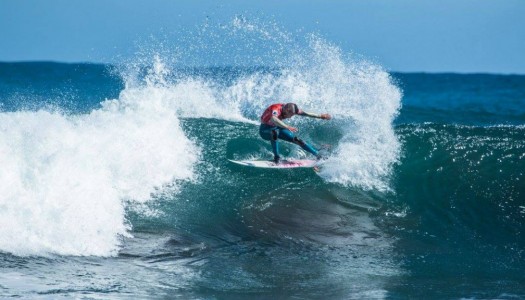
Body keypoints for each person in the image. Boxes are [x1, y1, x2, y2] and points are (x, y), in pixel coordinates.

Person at [259, 103, 331, 164]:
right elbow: (273, 119)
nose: (291, 117)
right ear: (286, 110)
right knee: (274, 133)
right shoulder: (276, 108)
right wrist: (287, 126)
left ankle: (317, 154)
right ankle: (277, 158)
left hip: (278, 128)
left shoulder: (291, 109)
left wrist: (321, 116)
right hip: (265, 130)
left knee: (297, 140)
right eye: (290, 114)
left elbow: (305, 113)